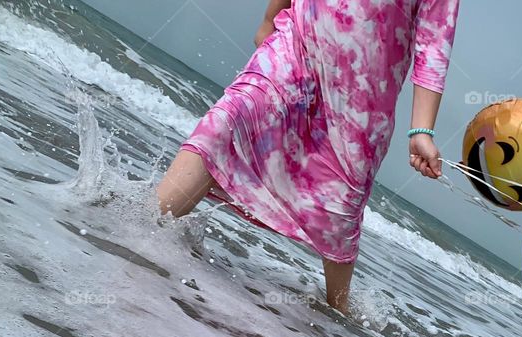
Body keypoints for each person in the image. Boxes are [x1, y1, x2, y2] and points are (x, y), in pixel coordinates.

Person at [156, 0, 460, 313]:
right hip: (294, 45)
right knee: (226, 124)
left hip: (360, 103)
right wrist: (269, 19)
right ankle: (143, 229)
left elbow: (433, 46)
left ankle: (339, 317)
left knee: (340, 208)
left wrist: (421, 131)